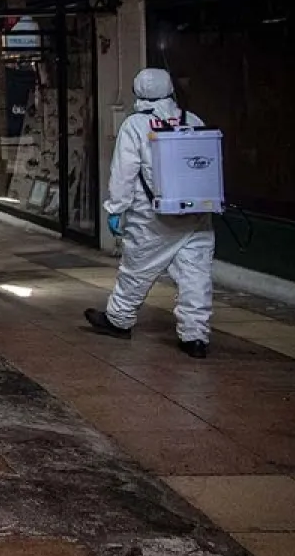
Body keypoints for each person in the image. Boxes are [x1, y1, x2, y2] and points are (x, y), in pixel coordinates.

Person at [84, 67, 215, 358]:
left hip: (153, 217)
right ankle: (195, 337)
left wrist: (115, 208)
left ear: (139, 92)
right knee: (196, 276)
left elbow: (124, 173)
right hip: (196, 214)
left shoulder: (135, 125)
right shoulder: (193, 120)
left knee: (136, 270)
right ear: (170, 90)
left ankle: (118, 319)